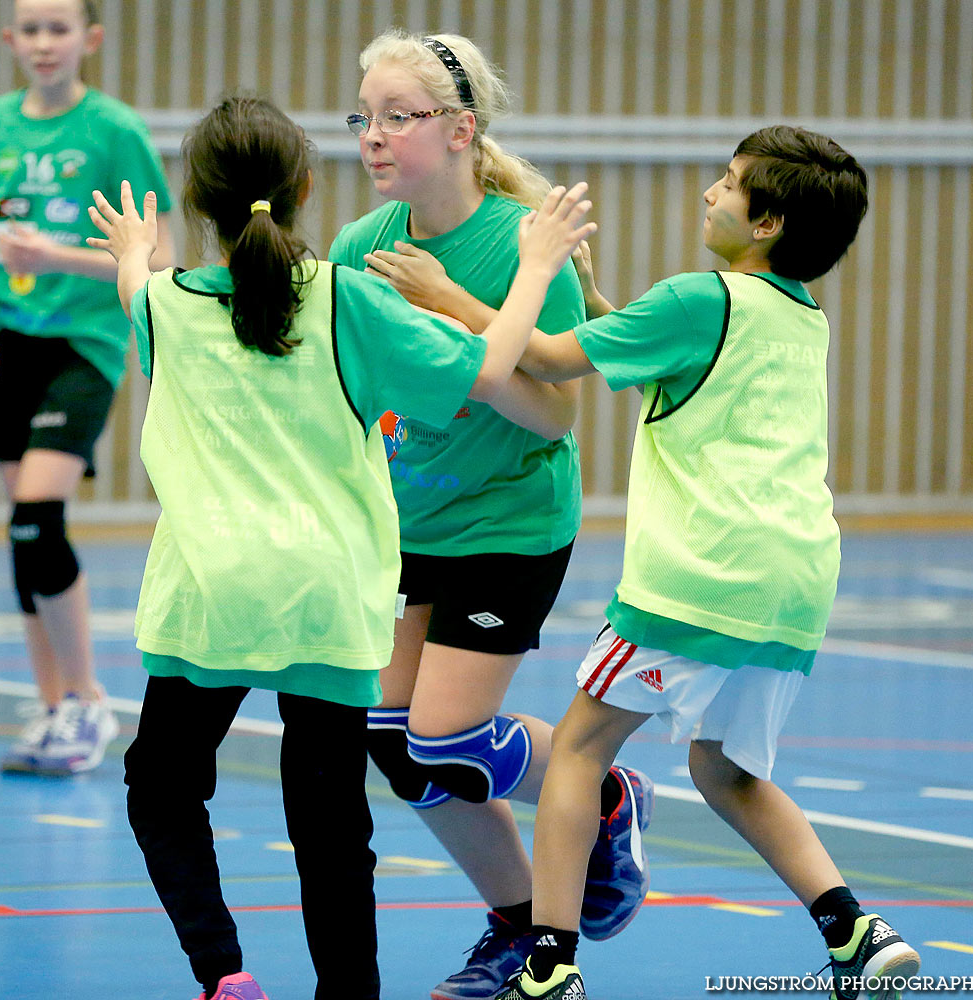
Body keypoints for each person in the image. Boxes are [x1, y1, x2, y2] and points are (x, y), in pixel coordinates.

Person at [88, 95, 595, 1000]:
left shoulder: (161, 307)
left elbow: (141, 291)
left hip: (208, 596)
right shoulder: (346, 299)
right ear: (305, 188)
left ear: (197, 199)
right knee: (327, 825)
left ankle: (222, 971)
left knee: (161, 789)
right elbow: (486, 373)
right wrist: (535, 271)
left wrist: (136, 253)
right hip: (328, 600)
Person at [491, 127, 922, 1000]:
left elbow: (541, 358)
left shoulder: (696, 300)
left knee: (575, 752)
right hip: (793, 585)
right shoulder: (799, 313)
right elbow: (649, 344)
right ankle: (854, 930)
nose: (707, 195)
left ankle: (547, 966)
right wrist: (588, 289)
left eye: (726, 186)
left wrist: (457, 292)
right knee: (724, 769)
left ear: (764, 222)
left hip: (700, 577)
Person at [327, 30, 649, 998]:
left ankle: (599, 790)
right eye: (363, 118)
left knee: (444, 736)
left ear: (460, 130)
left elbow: (551, 405)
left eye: (397, 117)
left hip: (507, 518)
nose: (372, 138)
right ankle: (513, 923)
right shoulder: (358, 246)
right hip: (407, 523)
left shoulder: (518, 239)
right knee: (392, 741)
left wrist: (452, 304)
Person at [0, 0, 175, 775]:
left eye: (58, 28)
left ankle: (87, 700)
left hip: (84, 341)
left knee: (40, 507)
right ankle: (53, 708)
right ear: (10, 40)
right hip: (7, 340)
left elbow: (161, 256)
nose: (44, 43)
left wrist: (60, 257)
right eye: (30, 29)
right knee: (21, 524)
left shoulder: (115, 132)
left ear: (89, 39)